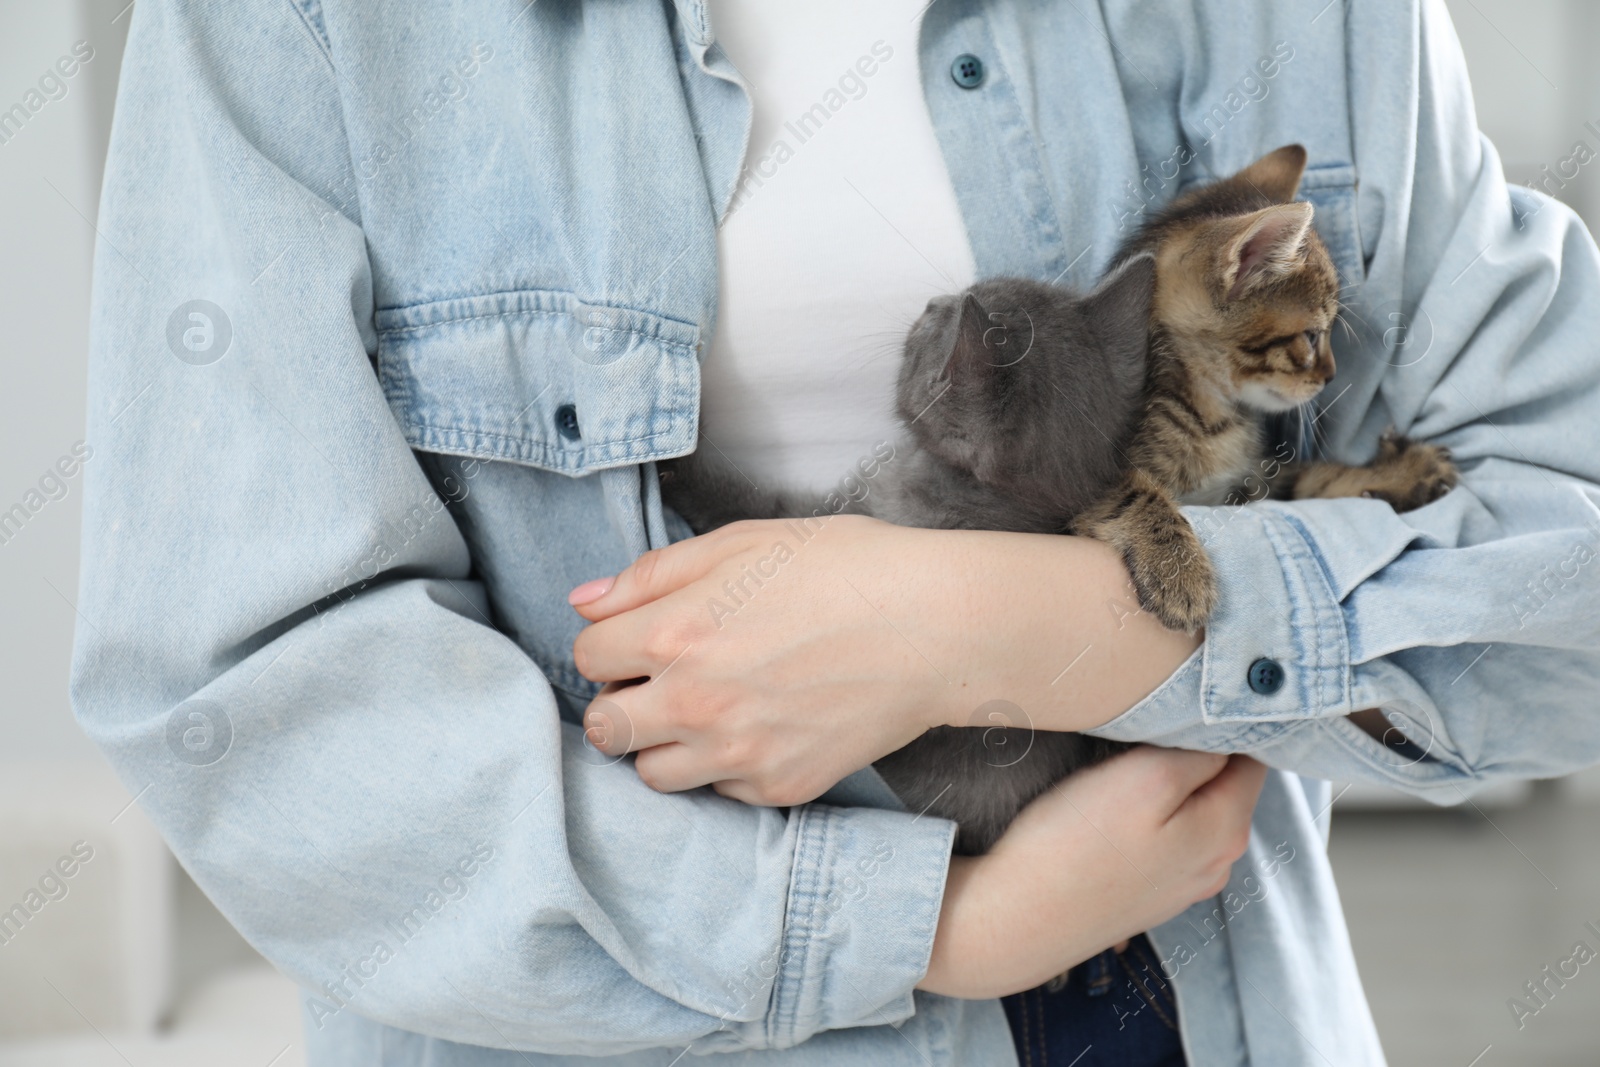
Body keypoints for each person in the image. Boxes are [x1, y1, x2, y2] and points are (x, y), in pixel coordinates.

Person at [73, 1, 1600, 1064]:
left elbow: (1569, 562)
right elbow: (250, 704)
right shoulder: (309, 21)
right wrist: (915, 926)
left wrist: (996, 631)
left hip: (1173, 1003)